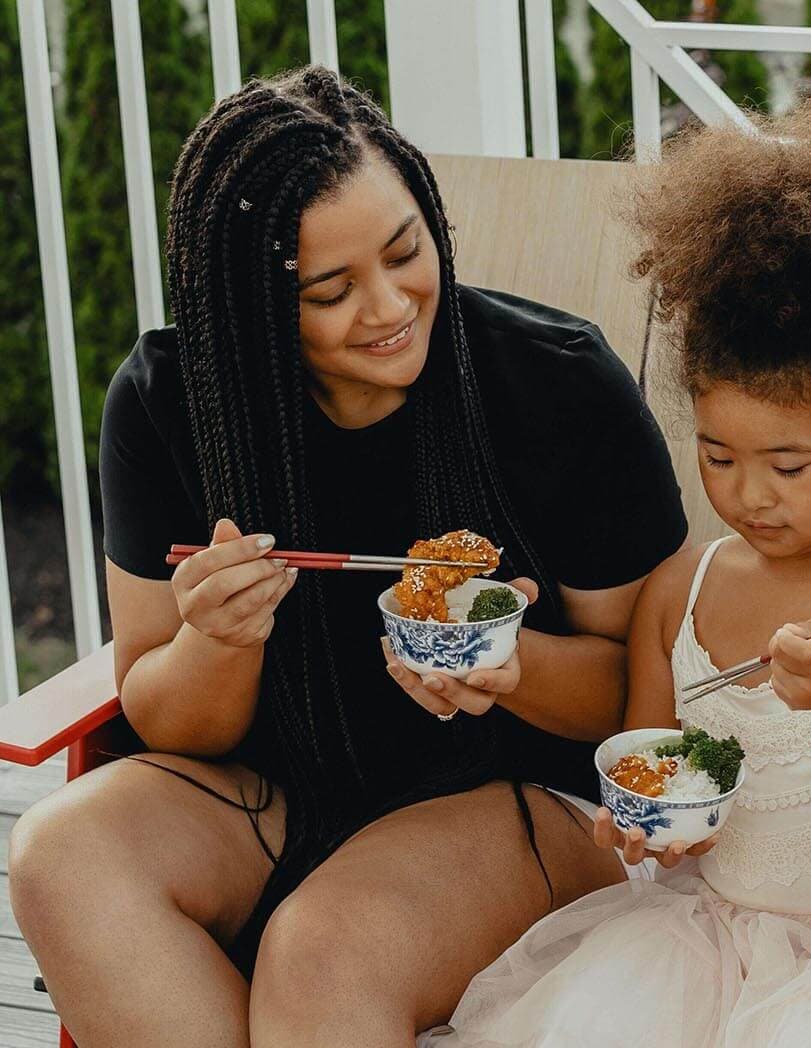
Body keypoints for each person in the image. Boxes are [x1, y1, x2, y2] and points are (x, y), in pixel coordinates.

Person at [8, 67, 687, 1048]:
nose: (387, 306)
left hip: (526, 799)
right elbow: (158, 714)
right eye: (331, 291)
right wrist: (217, 639)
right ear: (246, 309)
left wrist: (513, 664)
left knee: (320, 949)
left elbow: (645, 695)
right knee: (58, 853)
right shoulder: (165, 405)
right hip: (281, 792)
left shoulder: (556, 386)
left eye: (406, 250)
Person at [438, 93, 811, 1048]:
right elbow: (647, 772)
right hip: (692, 939)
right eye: (717, 456)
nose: (749, 496)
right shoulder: (681, 590)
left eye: (789, 466)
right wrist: (647, 826)